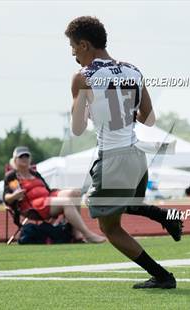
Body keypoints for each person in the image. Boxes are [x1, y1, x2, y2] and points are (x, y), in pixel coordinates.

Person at [66, 16, 178, 289]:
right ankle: (161, 215)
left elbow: (78, 129)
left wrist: (88, 107)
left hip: (112, 156)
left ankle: (162, 276)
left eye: (72, 47)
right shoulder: (133, 70)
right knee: (119, 205)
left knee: (109, 227)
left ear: (84, 45)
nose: (72, 54)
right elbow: (149, 118)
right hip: (135, 155)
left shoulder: (83, 77)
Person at [4, 146, 106, 243]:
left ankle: (76, 233)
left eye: (27, 156)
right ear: (15, 160)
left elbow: (47, 189)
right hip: (34, 205)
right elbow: (6, 197)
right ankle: (87, 234)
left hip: (47, 197)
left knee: (75, 193)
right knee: (67, 202)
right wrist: (15, 196)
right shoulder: (12, 176)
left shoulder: (34, 173)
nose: (24, 158)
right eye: (21, 156)